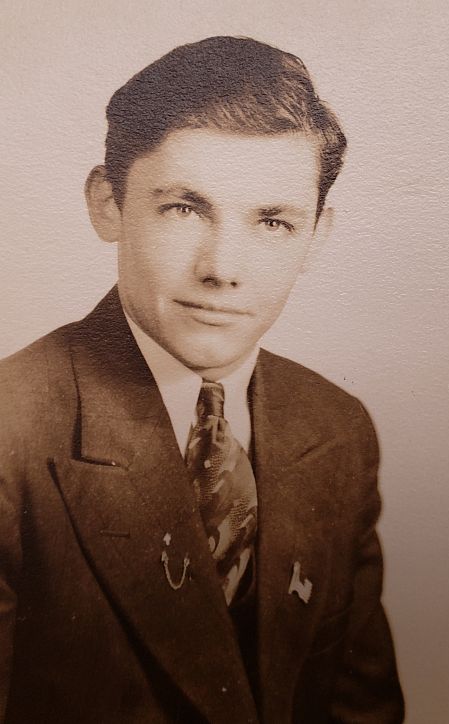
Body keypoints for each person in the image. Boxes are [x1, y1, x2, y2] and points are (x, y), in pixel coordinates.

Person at [0, 36, 404, 723]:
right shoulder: (12, 431)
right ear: (107, 203)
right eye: (184, 209)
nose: (223, 268)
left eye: (273, 222)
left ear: (316, 235)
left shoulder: (336, 428)